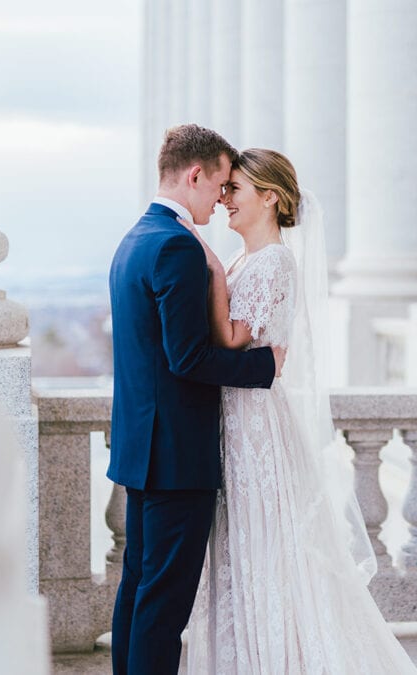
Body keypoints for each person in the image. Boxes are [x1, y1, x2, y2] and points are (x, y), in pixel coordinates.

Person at [184, 148, 417, 674]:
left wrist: (209, 269)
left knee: (265, 547)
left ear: (269, 197)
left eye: (235, 190)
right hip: (236, 417)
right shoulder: (247, 259)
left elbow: (231, 337)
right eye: (224, 190)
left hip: (256, 426)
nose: (224, 200)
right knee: (239, 548)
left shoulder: (272, 262)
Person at [107, 125, 287, 674]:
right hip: (177, 458)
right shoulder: (178, 248)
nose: (222, 198)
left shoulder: (136, 239)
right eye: (220, 185)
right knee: (163, 606)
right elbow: (187, 358)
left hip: (143, 449)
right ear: (194, 175)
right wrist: (265, 365)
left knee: (139, 589)